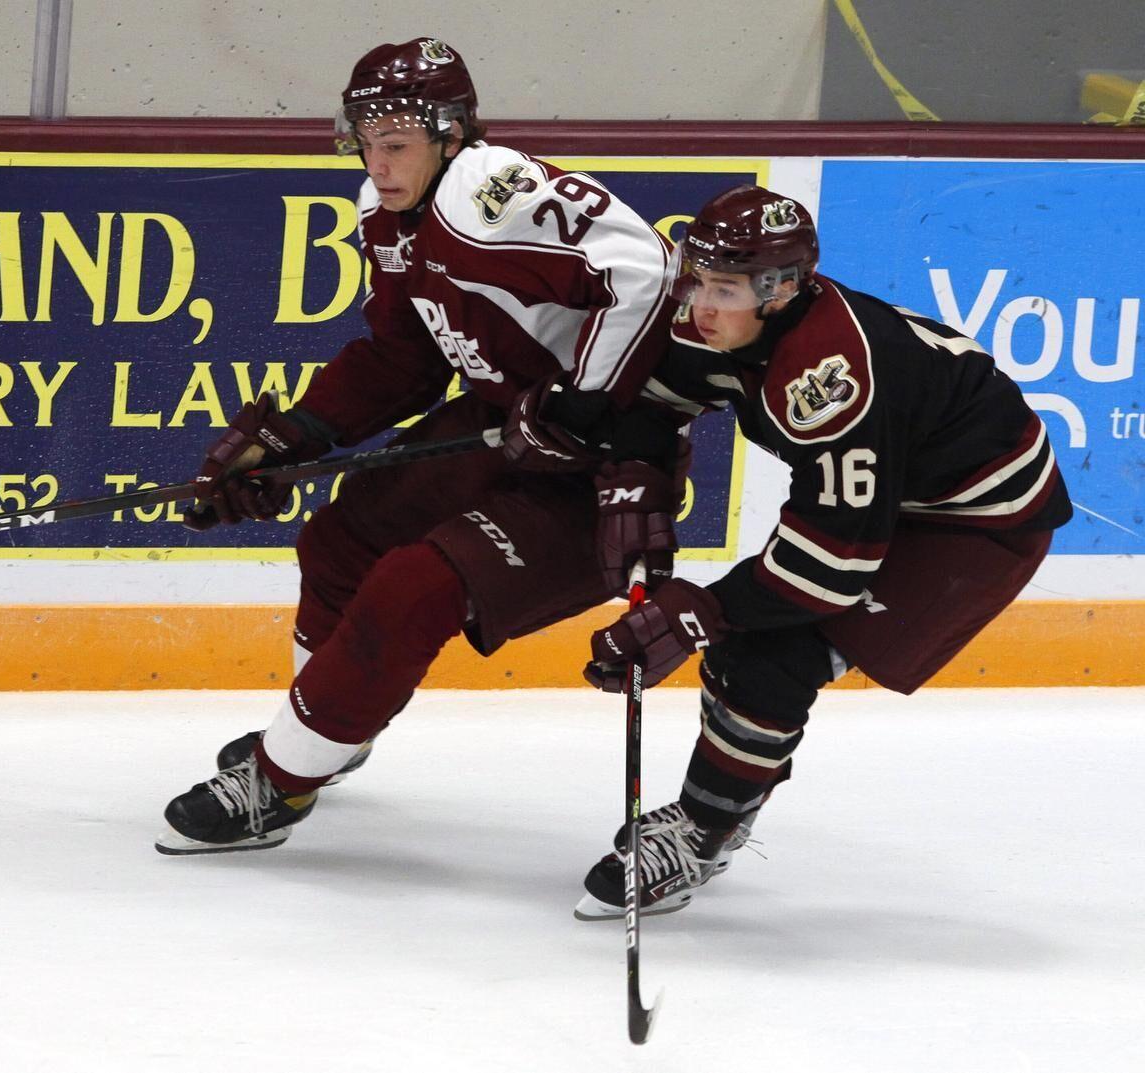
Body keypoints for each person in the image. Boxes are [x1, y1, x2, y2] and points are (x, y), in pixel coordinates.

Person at [155, 37, 685, 854]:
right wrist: (297, 432)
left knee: (414, 586)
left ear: (453, 134)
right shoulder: (388, 215)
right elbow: (406, 357)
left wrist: (587, 406)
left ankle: (282, 781)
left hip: (601, 468)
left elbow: (649, 270)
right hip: (503, 430)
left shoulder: (490, 195)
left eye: (396, 143)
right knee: (341, 538)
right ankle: (328, 730)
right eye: (366, 142)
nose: (379, 163)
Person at [573, 183, 1072, 919]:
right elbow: (653, 397)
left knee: (772, 656)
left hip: (976, 521)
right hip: (899, 491)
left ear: (776, 293)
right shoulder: (725, 324)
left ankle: (703, 832)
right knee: (743, 640)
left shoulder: (828, 377)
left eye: (724, 288)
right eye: (697, 279)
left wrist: (695, 610)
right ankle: (728, 797)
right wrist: (636, 486)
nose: (700, 306)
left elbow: (830, 567)